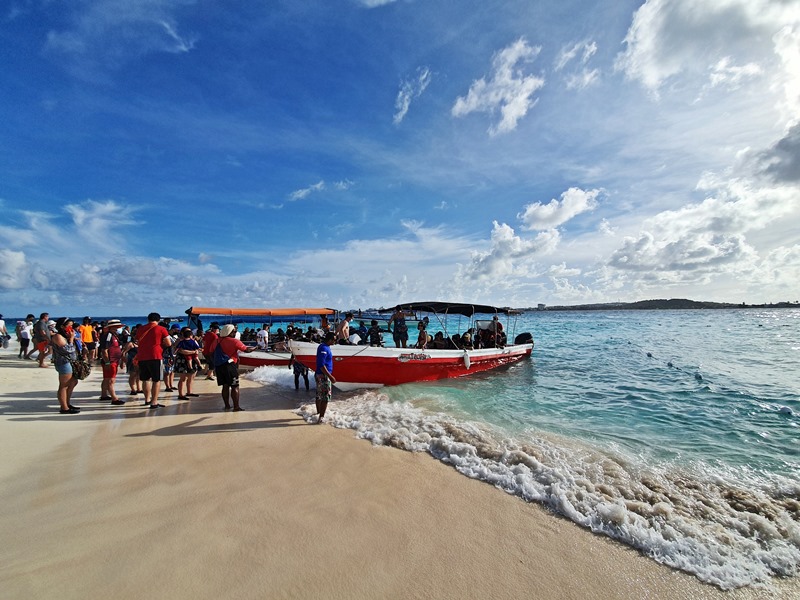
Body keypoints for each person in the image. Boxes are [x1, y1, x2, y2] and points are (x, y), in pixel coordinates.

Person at [213, 324, 257, 411]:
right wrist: (256, 347)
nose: (236, 333)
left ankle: (227, 406)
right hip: (230, 366)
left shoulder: (217, 341)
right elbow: (246, 350)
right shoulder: (234, 341)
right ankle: (236, 407)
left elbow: (211, 352)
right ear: (230, 332)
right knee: (234, 386)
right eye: (234, 331)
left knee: (225, 386)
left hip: (219, 366)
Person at [136, 312, 172, 410]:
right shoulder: (161, 329)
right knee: (156, 380)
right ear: (159, 320)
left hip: (142, 356)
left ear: (148, 319)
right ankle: (154, 402)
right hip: (155, 355)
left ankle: (147, 399)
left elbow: (137, 339)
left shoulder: (141, 329)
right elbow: (168, 343)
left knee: (146, 379)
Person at [50, 317, 81, 414]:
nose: (71, 328)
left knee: (73, 382)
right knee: (64, 385)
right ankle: (64, 407)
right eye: (69, 326)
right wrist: (71, 339)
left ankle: (67, 403)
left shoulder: (65, 335)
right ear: (62, 326)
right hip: (63, 363)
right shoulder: (58, 336)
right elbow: (68, 350)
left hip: (70, 362)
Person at [99, 319, 125, 404]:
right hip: (111, 361)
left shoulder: (114, 335)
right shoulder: (108, 336)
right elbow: (104, 350)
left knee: (107, 379)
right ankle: (114, 398)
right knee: (111, 379)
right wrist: (107, 362)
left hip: (114, 360)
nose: (118, 328)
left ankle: (104, 395)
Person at [314, 332, 337, 423]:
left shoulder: (324, 347)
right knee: (325, 397)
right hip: (323, 375)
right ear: (330, 339)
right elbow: (321, 364)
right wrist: (330, 376)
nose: (335, 342)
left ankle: (318, 413)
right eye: (334, 340)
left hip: (320, 374)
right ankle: (321, 417)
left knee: (319, 395)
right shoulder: (323, 348)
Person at [174, 328, 201, 400]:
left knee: (191, 377)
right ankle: (181, 394)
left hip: (192, 360)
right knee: (183, 378)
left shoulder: (192, 341)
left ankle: (189, 391)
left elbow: (197, 349)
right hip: (182, 360)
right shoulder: (179, 341)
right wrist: (193, 352)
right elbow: (181, 351)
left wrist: (195, 352)